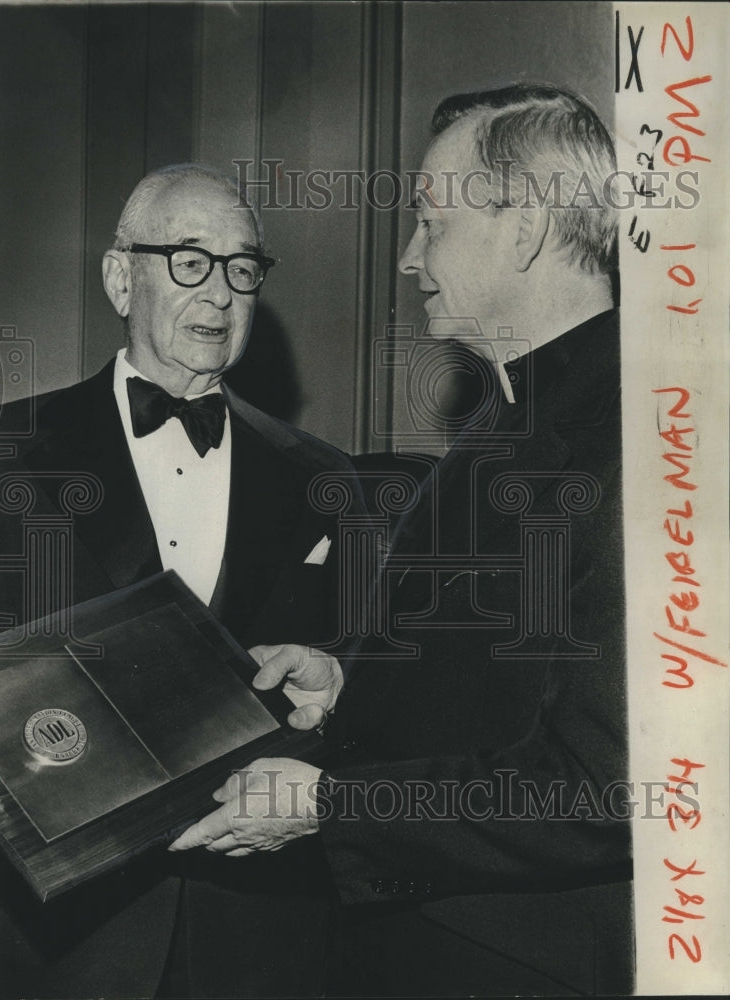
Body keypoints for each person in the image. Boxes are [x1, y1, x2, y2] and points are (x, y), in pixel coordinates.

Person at [171, 85, 634, 996]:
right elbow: (497, 676)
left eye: (431, 221)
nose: (409, 257)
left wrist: (330, 804)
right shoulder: (499, 421)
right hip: (418, 933)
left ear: (525, 226)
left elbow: (603, 788)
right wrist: (352, 679)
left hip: (521, 961)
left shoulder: (643, 439)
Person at [0, 164, 358, 998]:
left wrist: (340, 689)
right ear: (119, 277)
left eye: (242, 267)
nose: (219, 293)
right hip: (60, 946)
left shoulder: (328, 478)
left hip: (259, 936)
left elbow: (364, 678)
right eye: (188, 259)